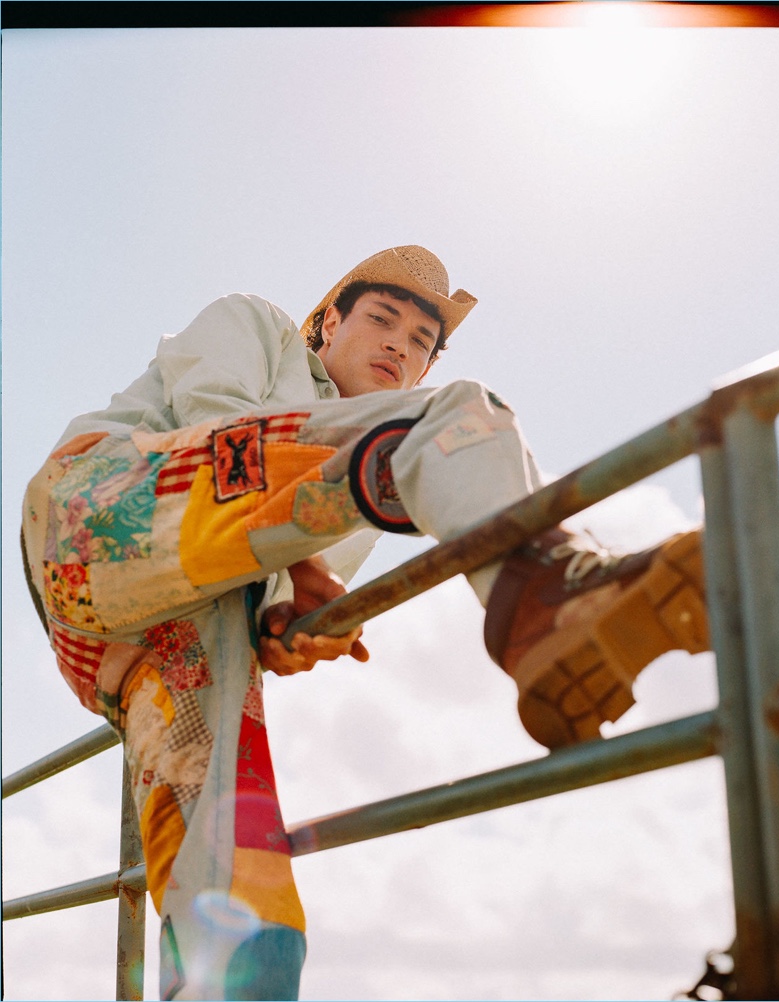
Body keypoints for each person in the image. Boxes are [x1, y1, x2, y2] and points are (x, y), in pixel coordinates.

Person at [21, 246, 710, 1000]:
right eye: (383, 320)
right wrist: (296, 576)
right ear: (326, 324)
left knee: (244, 912)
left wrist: (297, 620)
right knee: (453, 419)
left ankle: (554, 602)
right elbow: (219, 429)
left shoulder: (360, 475)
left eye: (420, 342)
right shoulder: (262, 329)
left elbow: (275, 611)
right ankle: (555, 597)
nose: (400, 346)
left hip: (143, 646)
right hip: (94, 520)